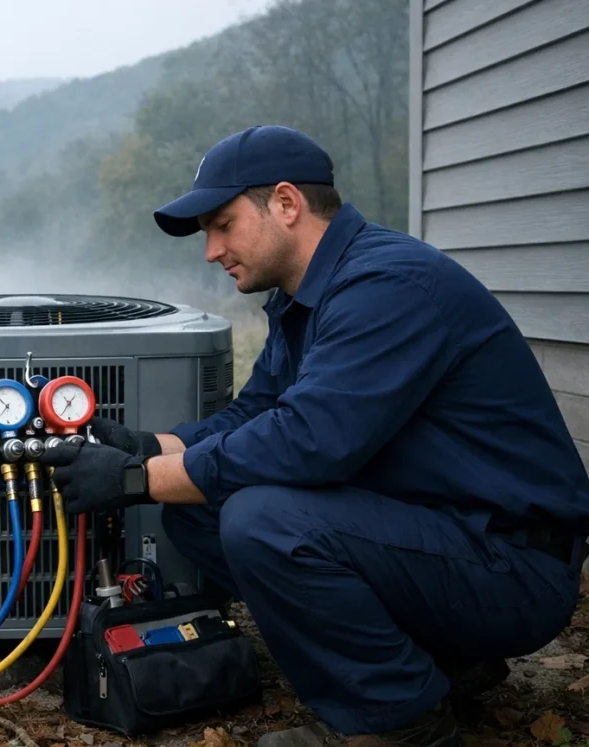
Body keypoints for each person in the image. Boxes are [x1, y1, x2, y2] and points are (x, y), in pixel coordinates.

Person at [40, 125, 589, 747]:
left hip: (510, 566)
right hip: (438, 535)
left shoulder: (388, 287)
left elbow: (308, 441)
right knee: (197, 509)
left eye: (222, 224)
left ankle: (400, 722)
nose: (211, 251)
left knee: (261, 518)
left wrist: (134, 480)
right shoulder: (307, 298)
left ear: (285, 204)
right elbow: (252, 418)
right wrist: (143, 447)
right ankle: (433, 661)